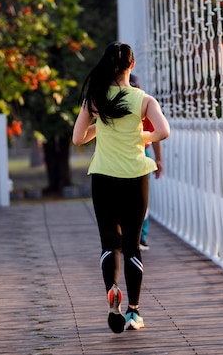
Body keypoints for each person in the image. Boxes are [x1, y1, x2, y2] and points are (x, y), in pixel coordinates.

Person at [72, 42, 170, 333]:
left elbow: (78, 139)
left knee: (109, 242)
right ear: (132, 65)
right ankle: (134, 313)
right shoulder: (143, 99)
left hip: (103, 176)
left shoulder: (95, 99)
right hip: (135, 176)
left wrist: (100, 126)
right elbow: (163, 131)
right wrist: (140, 137)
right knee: (132, 245)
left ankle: (113, 290)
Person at [129, 74, 163, 251]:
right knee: (140, 199)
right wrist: (158, 159)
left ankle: (138, 236)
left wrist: (158, 159)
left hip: (139, 152)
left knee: (140, 199)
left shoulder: (143, 104)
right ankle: (137, 237)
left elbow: (157, 133)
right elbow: (159, 133)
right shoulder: (145, 103)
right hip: (142, 151)